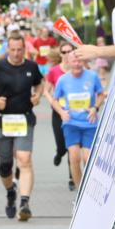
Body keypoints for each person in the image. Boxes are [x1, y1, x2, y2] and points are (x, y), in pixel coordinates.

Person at [0, 32, 43, 221]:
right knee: (5, 165)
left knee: (24, 159)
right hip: (2, 121)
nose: (16, 53)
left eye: (19, 50)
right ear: (7, 49)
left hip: (25, 119)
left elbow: (40, 83)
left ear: (24, 49)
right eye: (13, 49)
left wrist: (37, 95)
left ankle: (24, 203)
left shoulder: (31, 67)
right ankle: (10, 192)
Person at [52, 49, 105, 190]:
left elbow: (101, 94)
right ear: (68, 62)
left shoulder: (92, 76)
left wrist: (95, 107)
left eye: (79, 61)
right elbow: (54, 100)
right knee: (74, 158)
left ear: (83, 61)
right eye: (73, 61)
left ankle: (90, 189)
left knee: (88, 159)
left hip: (89, 123)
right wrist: (62, 113)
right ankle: (80, 190)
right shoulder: (63, 80)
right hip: (71, 123)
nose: (76, 64)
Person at [43, 45, 72, 187]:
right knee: (62, 145)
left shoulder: (77, 69)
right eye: (64, 52)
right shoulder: (54, 71)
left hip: (74, 112)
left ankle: (72, 177)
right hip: (58, 111)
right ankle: (59, 153)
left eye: (69, 51)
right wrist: (53, 102)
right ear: (60, 54)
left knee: (73, 145)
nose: (67, 54)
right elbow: (46, 91)